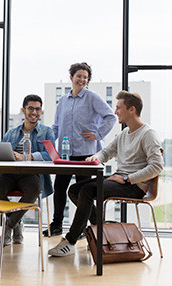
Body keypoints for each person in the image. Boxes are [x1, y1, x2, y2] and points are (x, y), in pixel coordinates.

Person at [48, 90, 164, 257]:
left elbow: (157, 166)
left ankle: (71, 241)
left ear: (131, 109)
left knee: (87, 191)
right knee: (74, 190)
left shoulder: (148, 134)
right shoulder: (125, 133)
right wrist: (94, 157)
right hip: (119, 180)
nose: (115, 111)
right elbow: (107, 152)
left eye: (118, 107)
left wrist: (128, 178)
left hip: (134, 186)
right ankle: (100, 233)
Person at [45, 62, 116, 237]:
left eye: (85, 77)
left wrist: (98, 134)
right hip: (65, 154)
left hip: (86, 153)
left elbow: (110, 117)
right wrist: (46, 141)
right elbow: (56, 126)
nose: (82, 79)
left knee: (83, 193)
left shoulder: (92, 97)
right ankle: (56, 225)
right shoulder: (62, 100)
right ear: (71, 77)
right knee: (60, 188)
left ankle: (90, 226)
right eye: (79, 76)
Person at [0, 94, 55, 246]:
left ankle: (9, 225)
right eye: (31, 108)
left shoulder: (47, 132)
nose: (34, 112)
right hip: (9, 175)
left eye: (38, 109)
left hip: (31, 175)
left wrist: (28, 157)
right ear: (23, 110)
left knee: (35, 188)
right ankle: (16, 223)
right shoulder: (11, 133)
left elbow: (51, 155)